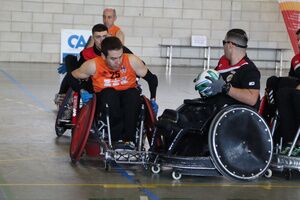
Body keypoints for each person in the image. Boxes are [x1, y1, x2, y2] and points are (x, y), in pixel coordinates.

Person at [70, 37, 158, 149]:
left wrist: (153, 99)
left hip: (128, 93)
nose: (118, 61)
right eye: (113, 58)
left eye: (120, 57)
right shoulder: (92, 65)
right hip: (105, 96)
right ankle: (116, 137)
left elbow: (152, 79)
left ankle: (129, 139)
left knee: (133, 95)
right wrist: (81, 91)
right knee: (110, 94)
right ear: (103, 56)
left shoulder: (132, 60)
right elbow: (72, 77)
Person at [54, 24, 133, 106]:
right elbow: (75, 74)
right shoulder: (86, 53)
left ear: (109, 35)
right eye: (98, 37)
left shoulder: (119, 49)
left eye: (104, 36)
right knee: (70, 63)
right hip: (95, 84)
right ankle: (63, 97)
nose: (102, 40)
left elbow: (138, 65)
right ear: (93, 38)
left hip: (117, 81)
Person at [196, 28, 261, 110]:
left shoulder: (249, 69)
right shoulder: (223, 62)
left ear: (230, 45)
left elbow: (252, 99)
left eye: (224, 42)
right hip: (216, 107)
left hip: (234, 115)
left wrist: (225, 88)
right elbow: (216, 83)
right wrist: (204, 82)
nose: (223, 46)